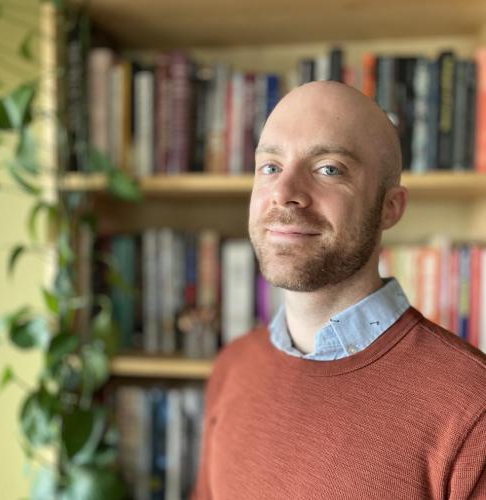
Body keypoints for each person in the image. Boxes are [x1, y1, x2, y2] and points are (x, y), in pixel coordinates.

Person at [191, 81, 486, 499]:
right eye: (270, 167)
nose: (285, 193)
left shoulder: (472, 408)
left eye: (328, 169)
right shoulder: (233, 368)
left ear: (390, 208)